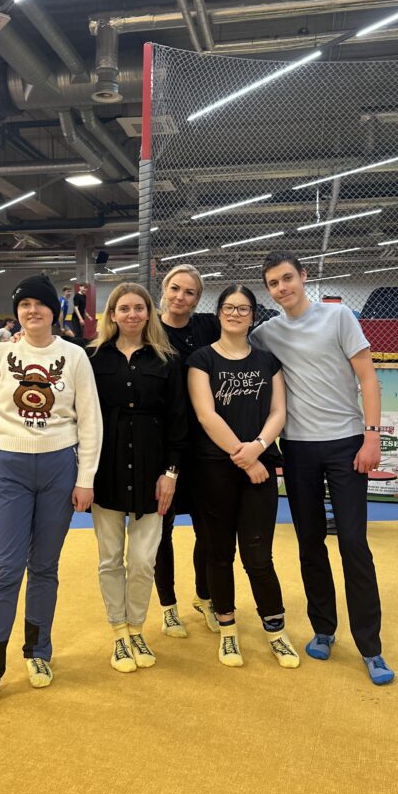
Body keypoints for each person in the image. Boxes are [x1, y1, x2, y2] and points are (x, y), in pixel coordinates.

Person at [0, 273, 103, 717]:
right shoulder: (0, 355)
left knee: (44, 567)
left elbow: (90, 421)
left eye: (40, 304)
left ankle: (38, 650)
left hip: (60, 469)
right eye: (25, 304)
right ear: (18, 312)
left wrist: (86, 478)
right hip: (9, 469)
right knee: (5, 571)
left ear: (53, 312)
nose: (32, 310)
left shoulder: (74, 356)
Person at [252, 252, 394, 686]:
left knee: (353, 543)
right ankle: (324, 628)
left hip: (347, 444)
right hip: (297, 449)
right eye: (273, 283)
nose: (282, 288)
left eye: (287, 278)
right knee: (310, 543)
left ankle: (371, 647)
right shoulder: (265, 335)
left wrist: (372, 436)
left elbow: (368, 378)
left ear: (303, 276)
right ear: (269, 290)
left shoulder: (338, 317)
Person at [187, 283, 299, 670]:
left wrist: (259, 447)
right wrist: (245, 457)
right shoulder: (201, 360)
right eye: (229, 307)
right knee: (219, 553)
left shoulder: (268, 361)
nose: (235, 314)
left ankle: (276, 631)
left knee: (258, 556)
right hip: (214, 470)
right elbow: (206, 415)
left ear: (253, 316)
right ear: (219, 313)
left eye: (243, 309)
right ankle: (228, 630)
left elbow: (278, 411)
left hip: (260, 469)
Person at [88, 283, 187, 673]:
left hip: (153, 471)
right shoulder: (92, 357)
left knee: (144, 561)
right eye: (124, 308)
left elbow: (179, 421)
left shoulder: (167, 360)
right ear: (112, 314)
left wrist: (171, 473)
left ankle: (137, 628)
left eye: (139, 308)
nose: (132, 314)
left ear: (149, 313)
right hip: (106, 470)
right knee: (110, 559)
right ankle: (119, 633)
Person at [154, 264, 220, 638]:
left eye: (189, 292)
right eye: (175, 288)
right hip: (162, 445)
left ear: (197, 299)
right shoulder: (148, 328)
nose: (180, 296)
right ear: (164, 290)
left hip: (204, 444)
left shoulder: (208, 327)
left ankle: (205, 597)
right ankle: (168, 607)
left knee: (207, 529)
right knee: (160, 530)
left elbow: (246, 335)